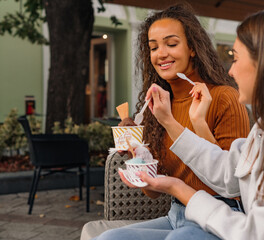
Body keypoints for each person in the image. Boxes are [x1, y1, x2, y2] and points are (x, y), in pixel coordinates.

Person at [119, 5, 264, 240]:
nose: (231, 71)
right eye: (154, 47)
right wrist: (163, 133)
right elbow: (230, 172)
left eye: (235, 58)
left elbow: (254, 234)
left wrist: (179, 189)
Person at [83, 3, 250, 240]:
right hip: (176, 215)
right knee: (107, 239)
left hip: (221, 216)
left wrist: (186, 122)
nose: (161, 53)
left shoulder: (224, 97)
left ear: (192, 48)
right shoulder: (157, 107)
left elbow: (230, 182)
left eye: (171, 44)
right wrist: (138, 158)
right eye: (153, 47)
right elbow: (153, 193)